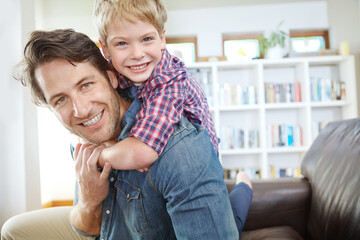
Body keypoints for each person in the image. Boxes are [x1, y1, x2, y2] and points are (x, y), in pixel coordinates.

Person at [1, 29, 252, 240]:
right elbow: (89, 227)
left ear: (111, 77)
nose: (81, 110)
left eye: (86, 85)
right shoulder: (84, 139)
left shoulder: (179, 148)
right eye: (61, 99)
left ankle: (244, 183)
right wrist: (89, 202)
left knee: (235, 209)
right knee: (13, 230)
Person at [92, 0, 219, 172]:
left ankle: (243, 184)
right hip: (157, 169)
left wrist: (99, 154)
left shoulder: (171, 80)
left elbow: (141, 153)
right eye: (122, 43)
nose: (137, 54)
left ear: (162, 39)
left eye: (146, 39)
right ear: (105, 49)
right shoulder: (112, 71)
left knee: (237, 199)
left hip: (198, 169)